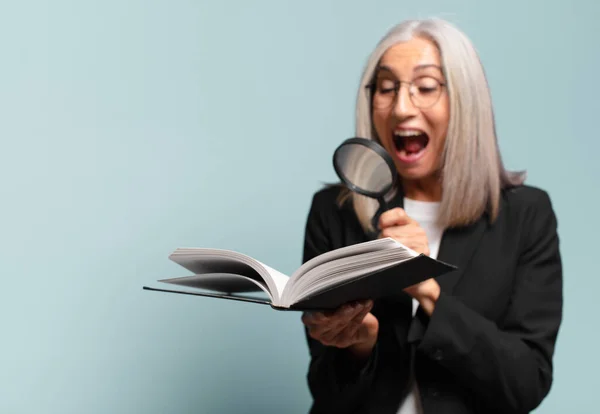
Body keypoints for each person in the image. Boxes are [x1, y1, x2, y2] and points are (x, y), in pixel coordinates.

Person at [300, 18, 563, 414]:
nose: (401, 107)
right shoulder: (334, 212)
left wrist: (428, 291)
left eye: (425, 88)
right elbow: (325, 391)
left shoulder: (527, 215)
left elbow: (526, 385)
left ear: (465, 101)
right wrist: (359, 345)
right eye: (387, 88)